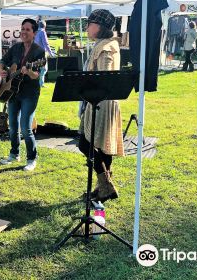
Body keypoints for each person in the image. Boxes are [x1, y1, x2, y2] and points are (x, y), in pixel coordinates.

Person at [78, 9, 124, 203]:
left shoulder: (107, 47)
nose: (87, 28)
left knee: (85, 143)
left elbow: (105, 78)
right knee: (102, 148)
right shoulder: (106, 44)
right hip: (101, 101)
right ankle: (102, 188)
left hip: (101, 103)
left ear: (100, 26)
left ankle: (105, 185)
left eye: (90, 24)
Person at [0, 19, 45, 171]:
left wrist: (29, 70)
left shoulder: (38, 52)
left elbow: (36, 75)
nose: (24, 32)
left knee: (25, 127)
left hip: (29, 94)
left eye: (27, 29)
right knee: (12, 126)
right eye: (22, 29)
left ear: (34, 33)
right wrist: (2, 70)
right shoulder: (16, 47)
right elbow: (2, 61)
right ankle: (14, 154)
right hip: (13, 92)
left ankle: (31, 158)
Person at [34, 20, 54, 87]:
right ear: (44, 26)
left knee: (38, 69)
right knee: (43, 69)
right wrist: (51, 53)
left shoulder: (35, 32)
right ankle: (41, 84)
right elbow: (46, 44)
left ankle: (38, 83)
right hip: (42, 53)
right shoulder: (42, 32)